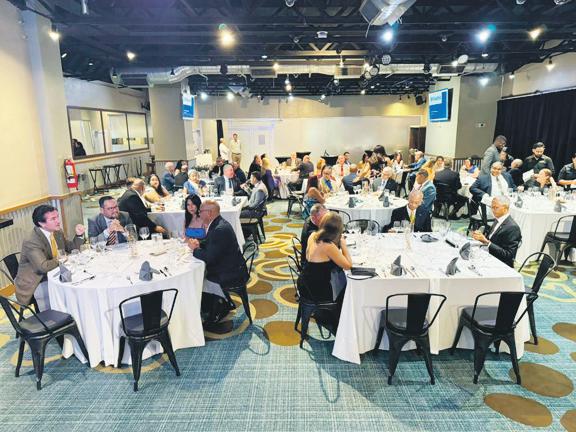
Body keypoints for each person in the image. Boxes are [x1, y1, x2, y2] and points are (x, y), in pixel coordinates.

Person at [187, 201, 248, 322]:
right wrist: (200, 244)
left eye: (201, 211)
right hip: (233, 265)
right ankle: (219, 304)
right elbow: (212, 243)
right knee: (199, 276)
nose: (199, 214)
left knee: (197, 282)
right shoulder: (218, 223)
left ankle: (217, 310)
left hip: (231, 273)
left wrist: (195, 249)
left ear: (209, 213)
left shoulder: (219, 229)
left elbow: (209, 258)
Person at [15, 205, 85, 305]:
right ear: (41, 223)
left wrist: (79, 235)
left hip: (55, 273)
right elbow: (43, 267)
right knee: (71, 292)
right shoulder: (32, 241)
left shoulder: (57, 232)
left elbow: (72, 248)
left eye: (57, 217)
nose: (58, 221)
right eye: (53, 219)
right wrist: (62, 259)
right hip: (36, 282)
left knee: (81, 281)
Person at [298, 212, 352, 332]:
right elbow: (348, 266)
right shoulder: (328, 245)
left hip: (304, 282)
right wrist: (343, 245)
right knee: (346, 290)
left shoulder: (313, 235)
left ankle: (327, 316)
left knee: (341, 280)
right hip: (315, 290)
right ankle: (340, 324)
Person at [472, 195, 522, 267]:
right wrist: (481, 237)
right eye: (492, 207)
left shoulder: (513, 228)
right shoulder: (498, 219)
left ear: (505, 208)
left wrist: (487, 242)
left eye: (496, 207)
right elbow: (490, 238)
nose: (493, 210)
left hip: (499, 264)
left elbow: (509, 255)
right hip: (489, 255)